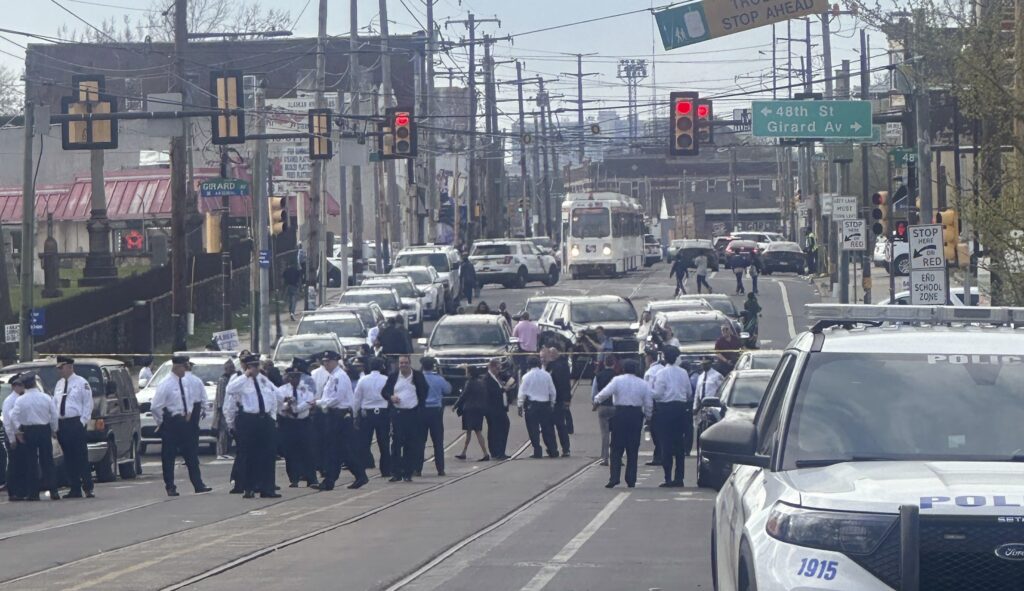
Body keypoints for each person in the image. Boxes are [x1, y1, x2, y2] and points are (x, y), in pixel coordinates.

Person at [151, 355, 212, 497]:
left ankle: (198, 484)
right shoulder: (165, 384)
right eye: (184, 367)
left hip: (185, 422)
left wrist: (188, 412)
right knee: (169, 456)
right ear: (177, 367)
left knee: (191, 454)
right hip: (171, 422)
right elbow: (155, 407)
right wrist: (161, 422)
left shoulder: (184, 382)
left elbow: (189, 399)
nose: (186, 370)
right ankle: (170, 486)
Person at [225, 355, 283, 498]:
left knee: (268, 455)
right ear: (247, 367)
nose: (256, 369)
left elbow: (277, 395)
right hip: (249, 419)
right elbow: (230, 390)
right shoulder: (240, 380)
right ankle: (249, 488)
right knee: (250, 455)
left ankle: (267, 488)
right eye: (253, 366)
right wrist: (246, 376)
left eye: (257, 366)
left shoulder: (263, 380)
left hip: (265, 419)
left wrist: (273, 417)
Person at [593, 360, 653, 489]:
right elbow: (648, 403)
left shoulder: (617, 380)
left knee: (616, 448)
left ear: (623, 369)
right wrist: (648, 417)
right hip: (635, 415)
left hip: (620, 414)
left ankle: (614, 478)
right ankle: (631, 479)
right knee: (633, 449)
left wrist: (596, 400)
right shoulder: (643, 384)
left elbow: (605, 393)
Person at [316, 351, 369, 491]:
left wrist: (318, 403)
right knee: (335, 449)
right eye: (324, 361)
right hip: (333, 415)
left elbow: (336, 399)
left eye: (328, 361)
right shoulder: (333, 376)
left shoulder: (340, 377)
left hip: (340, 416)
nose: (325, 364)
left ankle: (358, 475)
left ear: (335, 361)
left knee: (341, 449)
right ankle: (331, 480)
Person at [10, 373, 60, 501]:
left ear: (25, 385)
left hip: (29, 431)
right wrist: (54, 429)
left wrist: (18, 431)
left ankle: (33, 493)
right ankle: (53, 491)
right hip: (44, 429)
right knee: (47, 461)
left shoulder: (21, 400)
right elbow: (54, 415)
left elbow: (13, 417)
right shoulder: (46, 398)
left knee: (31, 462)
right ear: (34, 383)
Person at [381, 355, 429, 482]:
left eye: (405, 363)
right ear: (398, 364)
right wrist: (391, 397)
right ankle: (396, 472)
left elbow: (424, 391)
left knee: (411, 444)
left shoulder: (417, 376)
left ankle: (408, 472)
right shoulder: (393, 376)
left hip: (413, 414)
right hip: (397, 414)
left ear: (410, 363)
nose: (403, 365)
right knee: (396, 443)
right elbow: (384, 391)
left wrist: (419, 406)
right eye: (401, 363)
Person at [53, 356, 94, 499]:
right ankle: (74, 488)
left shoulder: (82, 383)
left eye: (61, 367)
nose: (59, 370)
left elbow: (88, 404)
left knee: (81, 457)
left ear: (69, 366)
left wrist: (82, 422)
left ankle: (88, 487)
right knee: (68, 458)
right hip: (62, 424)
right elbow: (55, 404)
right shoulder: (58, 384)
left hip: (75, 423)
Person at [652, 349, 693, 487]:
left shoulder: (661, 373)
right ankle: (679, 477)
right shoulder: (683, 373)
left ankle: (667, 477)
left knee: (665, 444)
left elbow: (658, 394)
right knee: (679, 445)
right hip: (680, 408)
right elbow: (689, 392)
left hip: (665, 409)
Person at [277, 363, 319, 489]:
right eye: (292, 376)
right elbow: (279, 406)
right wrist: (286, 406)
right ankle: (293, 479)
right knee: (290, 452)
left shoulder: (305, 389)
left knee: (308, 451)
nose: (294, 379)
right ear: (288, 377)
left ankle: (311, 478)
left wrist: (295, 409)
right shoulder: (282, 390)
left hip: (303, 422)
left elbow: (309, 402)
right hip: (289, 423)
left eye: (297, 376)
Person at [353, 357, 391, 478]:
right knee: (384, 443)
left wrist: (354, 415)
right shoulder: (386, 379)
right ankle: (386, 470)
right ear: (382, 367)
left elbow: (357, 399)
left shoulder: (363, 380)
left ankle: (363, 467)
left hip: (367, 414)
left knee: (364, 442)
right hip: (383, 413)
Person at [517, 356, 558, 459]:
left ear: (529, 365)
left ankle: (537, 450)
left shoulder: (526, 377)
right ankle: (552, 450)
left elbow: (522, 393)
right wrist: (552, 403)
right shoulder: (547, 375)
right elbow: (552, 391)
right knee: (548, 428)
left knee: (533, 429)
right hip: (545, 404)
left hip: (532, 406)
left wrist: (520, 406)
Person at [420, 357, 452, 476]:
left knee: (420, 441)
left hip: (422, 411)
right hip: (435, 412)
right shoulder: (439, 379)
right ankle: (440, 469)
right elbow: (448, 390)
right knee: (438, 442)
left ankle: (417, 468)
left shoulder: (418, 378)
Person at [453, 367, 489, 461]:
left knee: (472, 432)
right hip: (479, 409)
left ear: (470, 373)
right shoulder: (482, 383)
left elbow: (464, 395)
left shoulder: (469, 383)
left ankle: (485, 453)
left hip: (469, 409)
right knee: (475, 431)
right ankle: (464, 452)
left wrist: (456, 405)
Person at [483, 358, 515, 460]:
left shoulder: (497, 376)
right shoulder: (487, 379)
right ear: (492, 367)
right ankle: (498, 452)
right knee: (497, 429)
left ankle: (499, 451)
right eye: (497, 368)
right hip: (493, 409)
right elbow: (491, 393)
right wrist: (503, 389)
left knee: (498, 429)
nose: (499, 370)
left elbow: (510, 378)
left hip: (501, 408)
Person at [590, 357, 619, 466]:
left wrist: (594, 404)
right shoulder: (618, 376)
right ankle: (617, 457)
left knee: (605, 434)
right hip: (615, 407)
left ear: (604, 363)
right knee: (616, 433)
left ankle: (605, 458)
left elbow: (594, 393)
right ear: (614, 364)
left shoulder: (598, 376)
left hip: (603, 407)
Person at [3, 374, 27, 501]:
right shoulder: (10, 401)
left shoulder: (20, 398)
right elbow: (8, 422)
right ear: (14, 386)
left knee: (21, 464)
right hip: (14, 437)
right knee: (14, 465)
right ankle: (13, 492)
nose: (22, 387)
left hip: (20, 436)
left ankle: (21, 490)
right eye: (20, 384)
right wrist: (12, 439)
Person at [545, 347, 573, 457]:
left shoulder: (561, 366)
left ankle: (565, 449)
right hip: (549, 400)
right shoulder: (549, 366)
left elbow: (565, 384)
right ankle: (553, 449)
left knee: (560, 425)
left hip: (559, 400)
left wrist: (567, 399)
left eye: (551, 354)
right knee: (551, 426)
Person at [642, 350, 665, 467]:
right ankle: (661, 455)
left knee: (656, 433)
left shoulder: (650, 372)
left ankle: (659, 456)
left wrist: (648, 413)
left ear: (650, 358)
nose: (644, 360)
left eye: (645, 357)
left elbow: (648, 394)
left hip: (656, 406)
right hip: (666, 404)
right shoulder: (664, 369)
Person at [214, 359, 238, 459]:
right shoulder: (223, 380)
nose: (231, 369)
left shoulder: (234, 378)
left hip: (230, 408)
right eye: (229, 367)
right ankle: (221, 452)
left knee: (229, 431)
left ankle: (227, 451)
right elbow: (220, 396)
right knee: (223, 431)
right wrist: (221, 408)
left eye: (232, 367)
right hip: (223, 408)